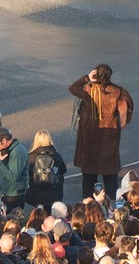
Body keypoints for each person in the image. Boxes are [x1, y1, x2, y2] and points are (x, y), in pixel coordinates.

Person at [68, 63, 132, 201]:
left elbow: (72, 88)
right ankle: (112, 207)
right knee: (110, 176)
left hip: (89, 140)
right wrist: (118, 124)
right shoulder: (117, 92)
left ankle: (88, 204)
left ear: (95, 75)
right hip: (108, 140)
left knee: (89, 177)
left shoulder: (88, 89)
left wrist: (87, 78)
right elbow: (126, 112)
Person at [0, 128, 30, 208]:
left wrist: (1, 162)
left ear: (4, 141)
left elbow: (13, 177)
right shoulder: (7, 150)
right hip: (8, 192)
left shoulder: (17, 153)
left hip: (14, 195)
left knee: (11, 218)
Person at [25, 130, 66, 209]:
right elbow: (63, 170)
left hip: (35, 194)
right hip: (54, 194)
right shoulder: (56, 156)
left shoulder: (30, 157)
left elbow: (26, 173)